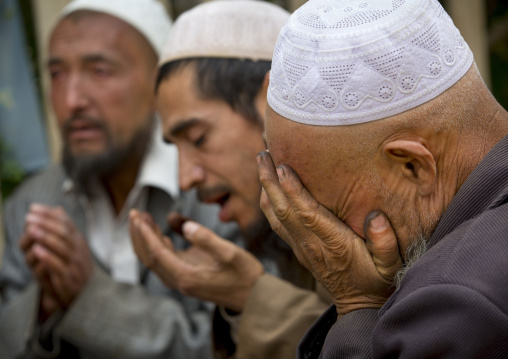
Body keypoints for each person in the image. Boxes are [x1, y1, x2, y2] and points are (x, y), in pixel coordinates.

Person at [128, 1, 387, 358]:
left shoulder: (380, 217)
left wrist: (251, 295)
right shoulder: (283, 238)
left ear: (270, 100)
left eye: (199, 139)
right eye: (176, 148)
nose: (185, 178)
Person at [257, 0, 508, 357]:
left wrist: (358, 304)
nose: (312, 236)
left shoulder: (458, 299)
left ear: (412, 168)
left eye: (327, 211)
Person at [0, 0, 237, 358]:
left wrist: (91, 297)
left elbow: (238, 346)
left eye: (99, 71)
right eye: (57, 74)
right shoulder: (33, 205)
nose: (72, 99)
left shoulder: (215, 194)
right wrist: (45, 306)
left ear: (160, 84)